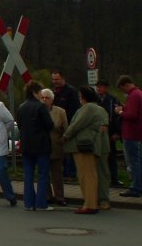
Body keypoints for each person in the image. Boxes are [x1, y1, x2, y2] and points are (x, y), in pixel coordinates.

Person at [63, 86, 109, 214]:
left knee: (86, 176)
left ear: (83, 97)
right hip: (89, 145)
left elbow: (77, 124)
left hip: (83, 145)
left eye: (80, 95)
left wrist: (66, 136)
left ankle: (89, 204)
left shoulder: (88, 108)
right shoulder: (96, 108)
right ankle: (92, 202)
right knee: (90, 175)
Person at [17, 80, 54, 211]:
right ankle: (41, 203)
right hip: (41, 145)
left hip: (26, 145)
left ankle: (29, 203)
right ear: (35, 92)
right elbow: (50, 125)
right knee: (43, 174)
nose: (41, 95)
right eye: (40, 92)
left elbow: (20, 125)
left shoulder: (22, 107)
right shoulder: (41, 107)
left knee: (28, 175)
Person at [40, 88, 68, 206]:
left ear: (52, 100)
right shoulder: (38, 111)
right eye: (43, 97)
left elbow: (66, 128)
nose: (45, 100)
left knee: (57, 174)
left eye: (47, 98)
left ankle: (59, 197)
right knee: (44, 172)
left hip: (56, 146)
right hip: (42, 147)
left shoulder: (60, 112)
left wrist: (63, 140)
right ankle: (47, 195)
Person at [116, 75, 142, 198]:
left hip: (132, 133)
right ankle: (138, 186)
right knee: (137, 160)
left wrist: (121, 111)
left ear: (126, 85)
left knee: (133, 162)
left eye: (122, 89)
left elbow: (132, 115)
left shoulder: (134, 95)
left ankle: (135, 188)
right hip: (137, 133)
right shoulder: (138, 93)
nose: (123, 92)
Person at [51, 70, 79, 179]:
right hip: (56, 128)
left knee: (69, 151)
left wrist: (68, 127)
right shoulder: (53, 92)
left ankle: (70, 173)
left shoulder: (71, 92)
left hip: (67, 127)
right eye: (53, 79)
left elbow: (73, 111)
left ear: (63, 78)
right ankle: (62, 172)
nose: (54, 81)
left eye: (57, 79)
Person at [96, 80, 122, 186]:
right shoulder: (95, 100)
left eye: (100, 87)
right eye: (97, 87)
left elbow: (117, 117)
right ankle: (101, 179)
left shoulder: (112, 100)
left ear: (106, 88)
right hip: (97, 133)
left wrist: (117, 132)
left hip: (110, 133)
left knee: (111, 157)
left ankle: (114, 179)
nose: (98, 89)